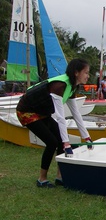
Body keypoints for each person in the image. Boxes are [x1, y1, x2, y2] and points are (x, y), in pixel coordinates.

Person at [16, 58, 94, 188]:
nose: (88, 76)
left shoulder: (73, 86)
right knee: (52, 142)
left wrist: (86, 137)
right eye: (86, 72)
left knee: (60, 139)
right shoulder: (59, 86)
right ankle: (42, 179)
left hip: (42, 112)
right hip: (26, 111)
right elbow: (60, 116)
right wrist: (66, 143)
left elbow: (76, 114)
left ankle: (60, 176)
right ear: (76, 73)